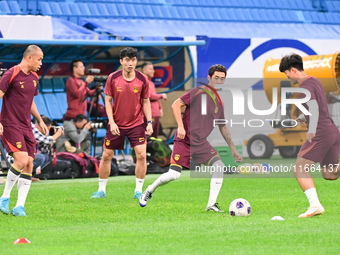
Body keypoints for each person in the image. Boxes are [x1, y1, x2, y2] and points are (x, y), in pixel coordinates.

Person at [139, 64, 242, 212]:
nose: (219, 81)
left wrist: (233, 149)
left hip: (201, 143)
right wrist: (180, 127)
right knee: (173, 175)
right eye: (216, 78)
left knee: (219, 166)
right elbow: (175, 105)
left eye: (222, 79)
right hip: (184, 141)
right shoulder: (197, 92)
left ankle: (211, 205)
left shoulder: (220, 104)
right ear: (209, 78)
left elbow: (223, 127)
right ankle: (149, 189)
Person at [279, 53, 340, 218]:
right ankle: (315, 205)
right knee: (329, 174)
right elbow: (318, 105)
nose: (287, 77)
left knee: (299, 169)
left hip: (321, 133)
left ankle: (315, 205)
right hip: (332, 131)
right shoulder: (314, 80)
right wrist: (302, 117)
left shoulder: (304, 86)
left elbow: (313, 106)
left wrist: (311, 128)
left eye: (286, 73)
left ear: (293, 70)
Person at [91, 47, 153, 199]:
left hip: (137, 123)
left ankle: (138, 191)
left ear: (136, 61)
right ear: (121, 61)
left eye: (133, 60)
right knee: (106, 155)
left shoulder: (142, 79)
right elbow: (107, 100)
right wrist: (111, 122)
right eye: (127, 60)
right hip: (116, 123)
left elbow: (146, 101)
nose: (130, 63)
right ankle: (101, 190)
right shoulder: (113, 77)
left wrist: (149, 122)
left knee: (141, 155)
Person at [0, 45, 48, 217]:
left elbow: (30, 101)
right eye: (39, 59)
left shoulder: (34, 77)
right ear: (29, 58)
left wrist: (39, 120)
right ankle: (4, 197)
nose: (41, 63)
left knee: (29, 163)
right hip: (10, 124)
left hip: (27, 125)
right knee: (20, 160)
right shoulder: (11, 74)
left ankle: (19, 206)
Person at [6, 115, 64, 181]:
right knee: (41, 158)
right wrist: (58, 134)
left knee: (46, 158)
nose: (48, 130)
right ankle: (21, 176)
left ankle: (28, 176)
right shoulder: (31, 128)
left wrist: (49, 141)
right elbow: (47, 140)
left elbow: (45, 150)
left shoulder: (38, 134)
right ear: (43, 126)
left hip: (24, 156)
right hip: (15, 158)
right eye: (48, 128)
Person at [141, 62, 167, 137]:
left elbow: (155, 96)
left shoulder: (151, 83)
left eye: (153, 69)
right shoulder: (143, 82)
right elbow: (149, 96)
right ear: (144, 70)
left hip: (155, 114)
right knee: (148, 136)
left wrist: (160, 108)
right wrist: (162, 95)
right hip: (149, 114)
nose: (153, 71)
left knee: (154, 136)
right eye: (150, 69)